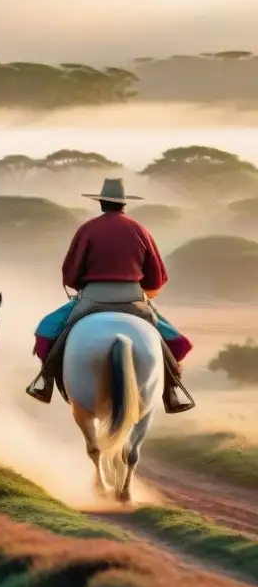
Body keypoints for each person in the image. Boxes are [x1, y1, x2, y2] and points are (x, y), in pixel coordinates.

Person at [26, 177, 194, 413]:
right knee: (177, 342)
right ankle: (172, 391)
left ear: (101, 202)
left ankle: (44, 383)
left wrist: (79, 283)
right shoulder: (140, 230)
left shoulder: (88, 229)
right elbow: (156, 276)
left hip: (91, 299)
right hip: (133, 300)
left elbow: (71, 273)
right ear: (124, 205)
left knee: (46, 330)